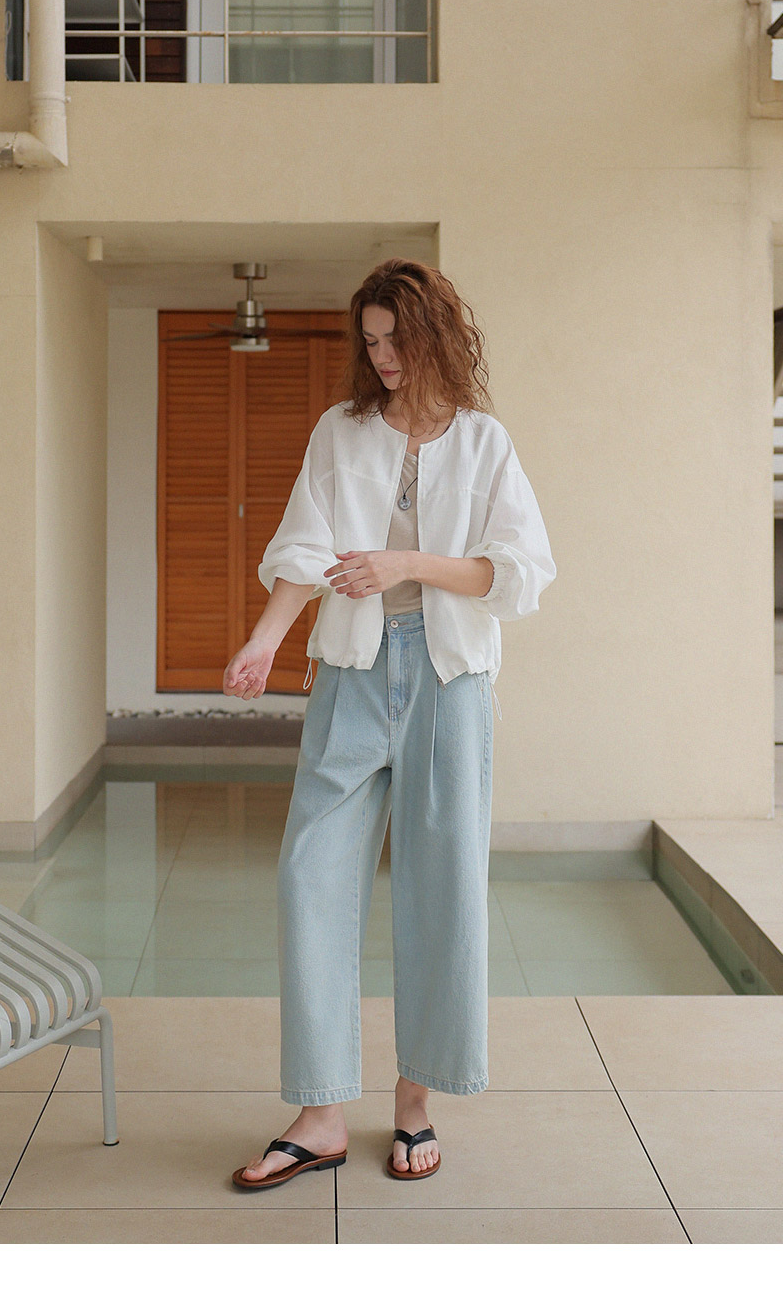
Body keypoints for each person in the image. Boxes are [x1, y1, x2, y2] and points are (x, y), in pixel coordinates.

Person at [223, 258, 556, 1189]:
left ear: (436, 335)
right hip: (352, 673)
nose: (382, 357)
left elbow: (518, 573)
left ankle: (415, 1102)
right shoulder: (342, 430)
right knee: (310, 876)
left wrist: (406, 561)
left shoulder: (485, 443)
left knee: (441, 886)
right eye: (370, 341)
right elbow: (303, 547)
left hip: (450, 681)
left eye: (396, 339)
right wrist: (262, 642)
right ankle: (321, 1111)